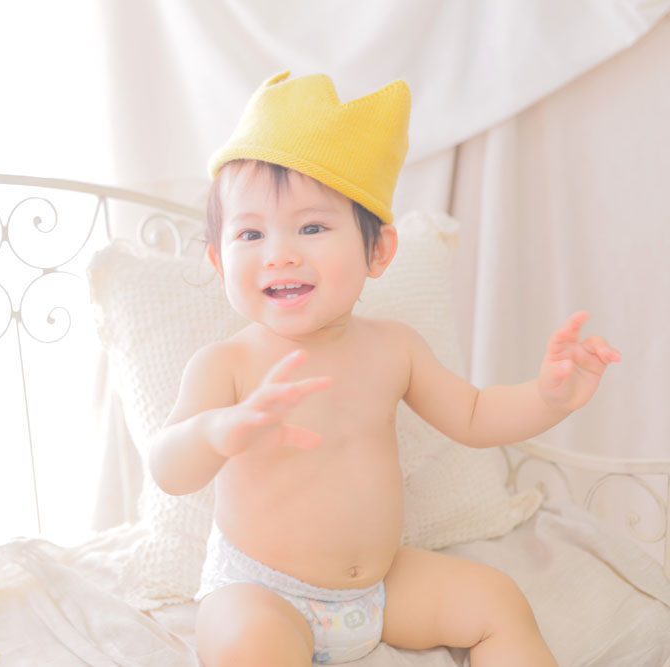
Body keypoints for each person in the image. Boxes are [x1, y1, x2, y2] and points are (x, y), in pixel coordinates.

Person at [147, 72, 621, 666]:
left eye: (312, 227)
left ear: (378, 251)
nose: (280, 253)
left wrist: (548, 397)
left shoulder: (395, 348)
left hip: (379, 586)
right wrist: (217, 432)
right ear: (220, 261)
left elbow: (475, 416)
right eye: (251, 233)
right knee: (249, 644)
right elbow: (167, 468)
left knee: (497, 600)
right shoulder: (227, 364)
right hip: (260, 589)